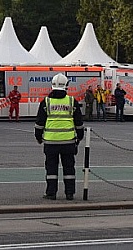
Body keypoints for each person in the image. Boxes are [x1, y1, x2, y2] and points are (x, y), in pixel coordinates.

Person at [34, 73, 84, 201]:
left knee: (51, 168)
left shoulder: (46, 102)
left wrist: (38, 137)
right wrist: (79, 137)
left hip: (50, 142)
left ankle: (51, 193)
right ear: (66, 86)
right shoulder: (72, 101)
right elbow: (79, 123)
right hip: (68, 141)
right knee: (69, 168)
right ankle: (69, 193)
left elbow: (39, 123)